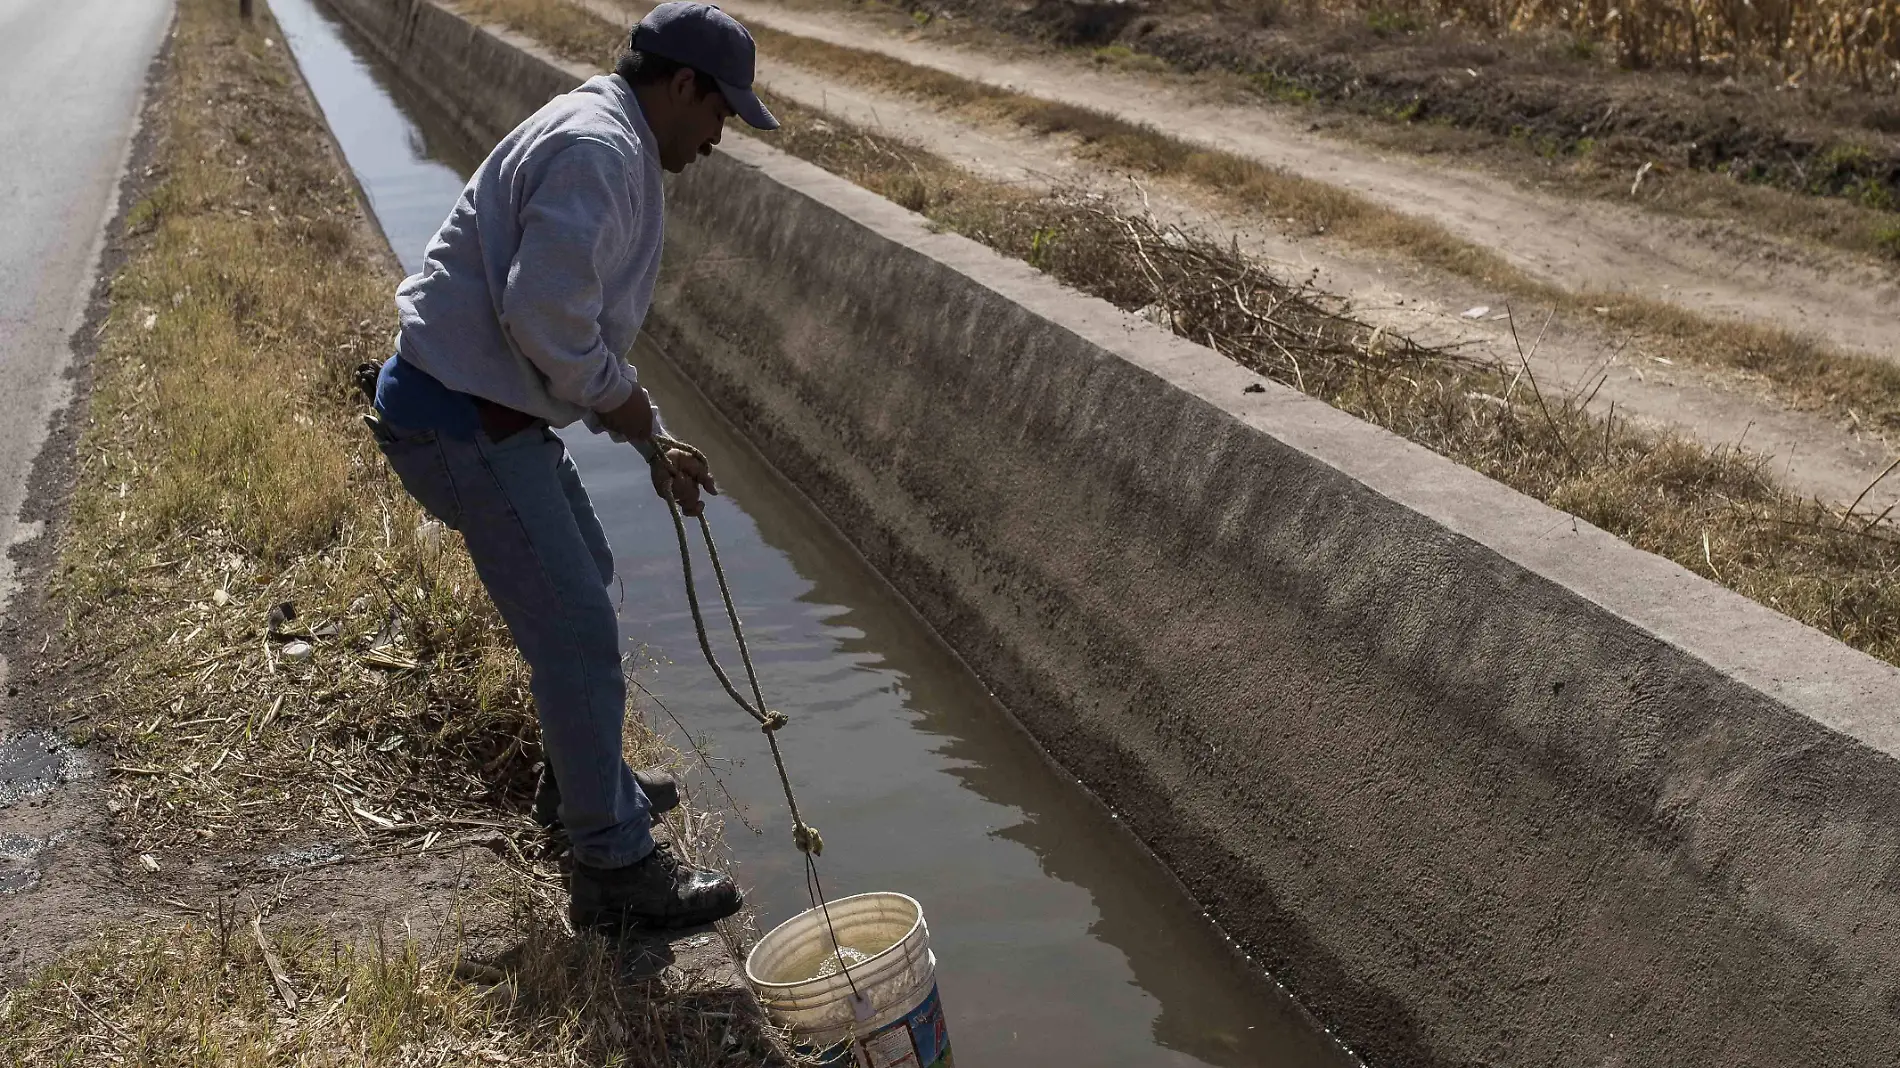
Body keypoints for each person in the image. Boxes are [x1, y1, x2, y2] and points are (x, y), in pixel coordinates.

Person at [363, 1, 779, 935]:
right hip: (462, 422)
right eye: (721, 113)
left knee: (584, 577)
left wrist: (651, 438)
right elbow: (546, 318)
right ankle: (614, 869)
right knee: (579, 633)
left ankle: (579, 783)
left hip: (488, 414)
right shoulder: (601, 150)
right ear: (682, 86)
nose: (720, 137)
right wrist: (633, 413)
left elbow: (556, 329)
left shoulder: (607, 131)